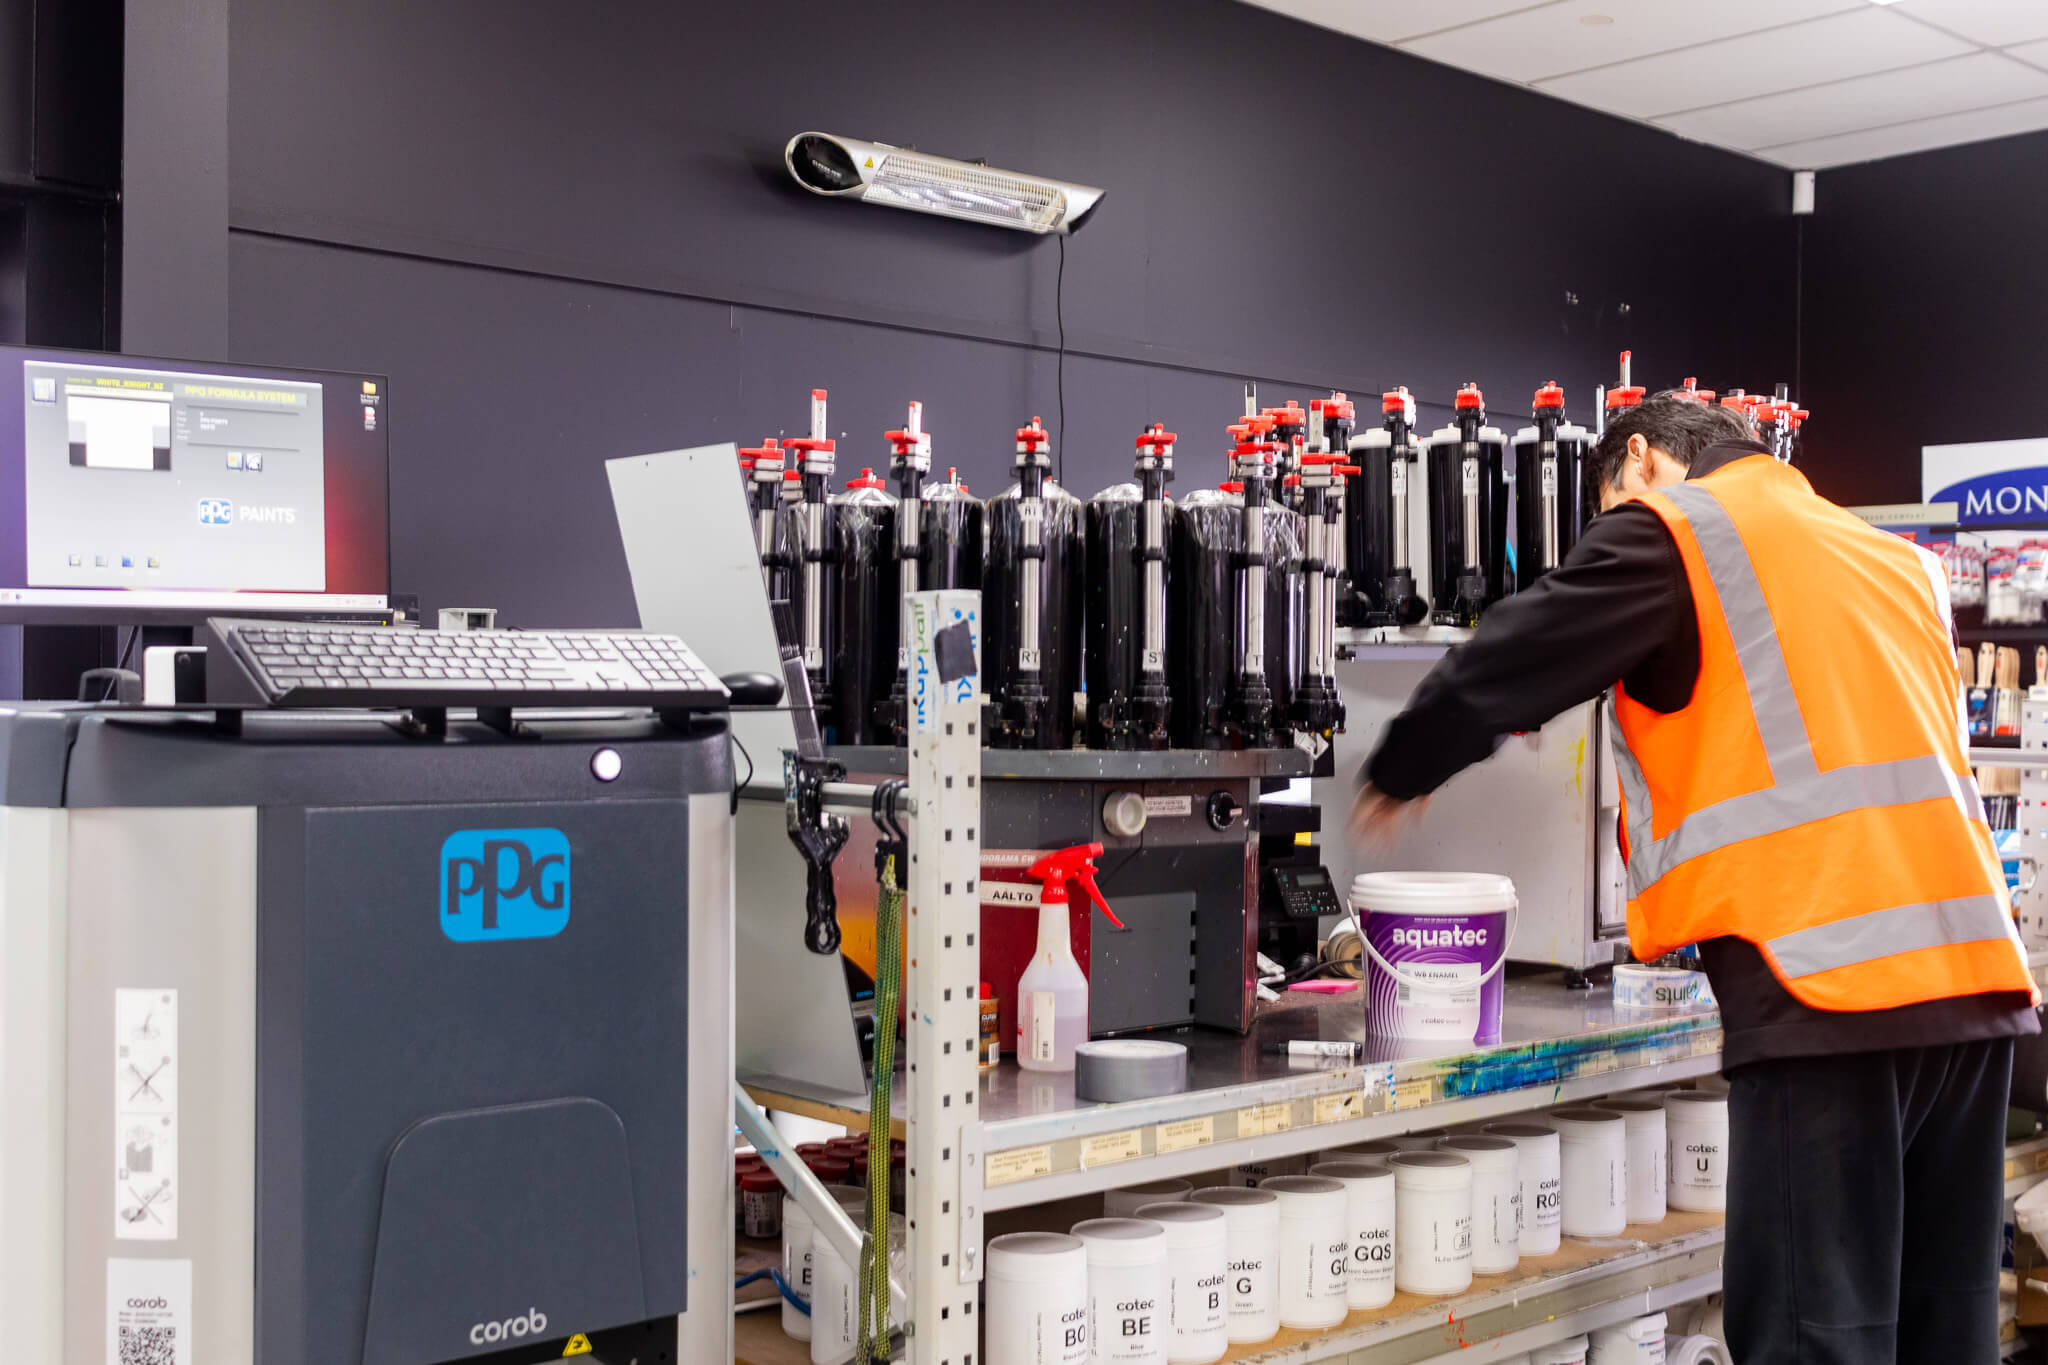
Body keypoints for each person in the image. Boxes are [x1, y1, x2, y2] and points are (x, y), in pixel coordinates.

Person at [1354, 395, 2038, 1364]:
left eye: (1604, 509)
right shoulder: (1892, 557)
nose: (1608, 532)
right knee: (1944, 1327)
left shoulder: (1682, 529)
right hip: (1972, 987)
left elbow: (1511, 653)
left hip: (1825, 985)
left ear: (1638, 461)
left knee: (1818, 1336)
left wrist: (1399, 765)